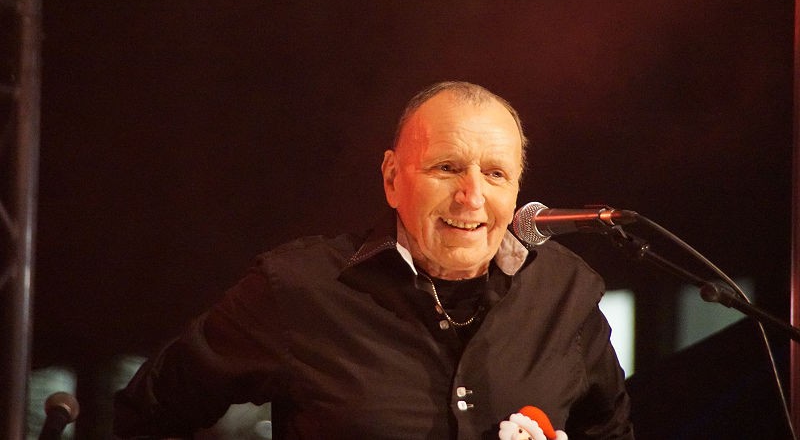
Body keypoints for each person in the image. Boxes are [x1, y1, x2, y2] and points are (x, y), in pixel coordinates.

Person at [113, 81, 634, 439]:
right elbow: (149, 413)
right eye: (447, 168)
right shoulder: (299, 289)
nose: (472, 196)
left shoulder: (566, 292)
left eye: (495, 174)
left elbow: (610, 431)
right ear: (391, 179)